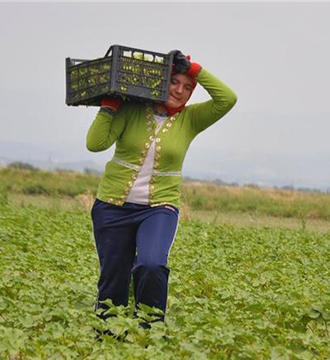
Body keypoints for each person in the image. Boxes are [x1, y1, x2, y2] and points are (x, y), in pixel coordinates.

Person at [86, 50, 237, 329]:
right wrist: (108, 107)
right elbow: (96, 144)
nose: (180, 91)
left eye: (187, 86)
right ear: (159, 82)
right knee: (113, 280)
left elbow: (228, 98)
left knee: (152, 264)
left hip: (159, 209)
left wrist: (194, 69)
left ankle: (150, 334)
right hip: (112, 207)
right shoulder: (131, 109)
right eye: (174, 82)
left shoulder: (191, 119)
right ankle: (107, 340)